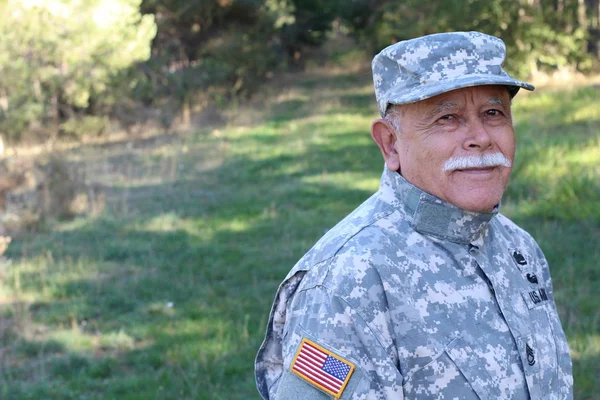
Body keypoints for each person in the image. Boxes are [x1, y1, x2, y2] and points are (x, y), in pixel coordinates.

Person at [255, 31, 573, 399]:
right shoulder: (346, 283)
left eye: (493, 113)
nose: (480, 137)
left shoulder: (518, 248)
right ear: (390, 144)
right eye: (447, 118)